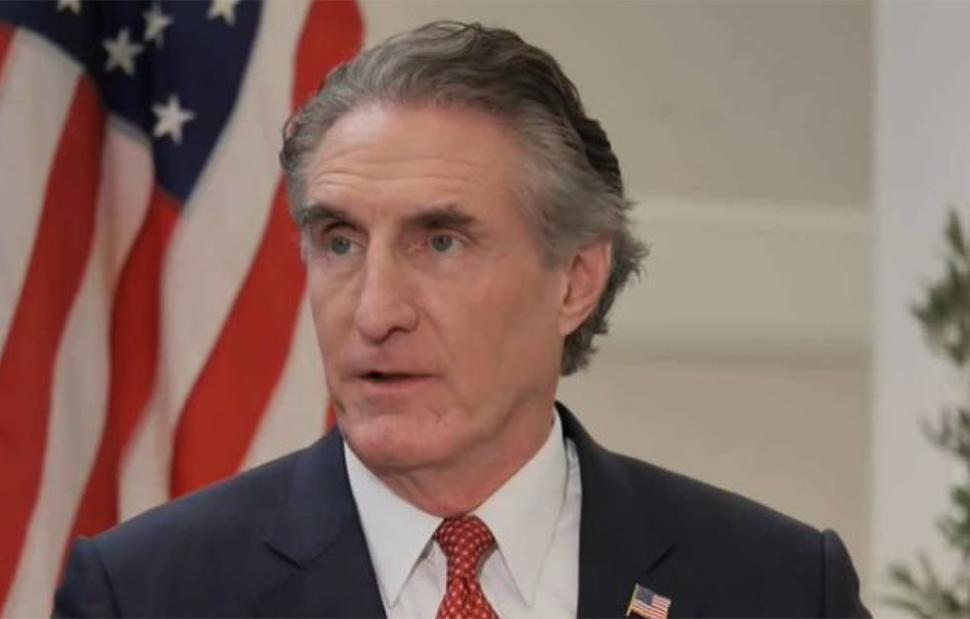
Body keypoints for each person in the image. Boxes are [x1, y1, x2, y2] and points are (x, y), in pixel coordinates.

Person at [54, 21, 870, 618]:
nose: (375, 311)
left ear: (576, 279)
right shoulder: (148, 593)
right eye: (340, 242)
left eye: (441, 241)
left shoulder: (781, 587)